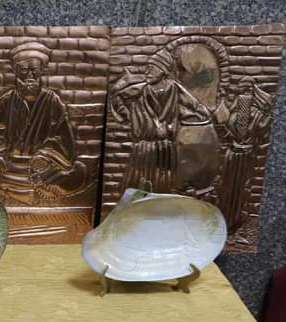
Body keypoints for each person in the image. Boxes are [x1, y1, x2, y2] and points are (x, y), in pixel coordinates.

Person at [0, 41, 85, 204]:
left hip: (40, 168)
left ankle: (4, 189)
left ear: (41, 71)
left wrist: (44, 156)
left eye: (35, 71)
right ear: (16, 72)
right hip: (6, 166)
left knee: (79, 171)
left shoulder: (52, 101)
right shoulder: (4, 101)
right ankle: (8, 189)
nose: (30, 76)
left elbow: (63, 139)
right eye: (24, 71)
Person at [110, 49, 211, 192]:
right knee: (140, 179)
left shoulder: (174, 89)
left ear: (163, 70)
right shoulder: (141, 89)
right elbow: (117, 97)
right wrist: (127, 115)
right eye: (147, 68)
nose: (147, 72)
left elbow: (193, 104)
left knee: (164, 181)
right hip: (144, 146)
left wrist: (203, 113)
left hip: (166, 146)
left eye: (152, 68)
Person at [219, 77, 272, 233]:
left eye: (246, 91)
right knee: (227, 188)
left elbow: (262, 131)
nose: (243, 95)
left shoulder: (257, 114)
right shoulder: (233, 112)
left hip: (245, 157)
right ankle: (224, 220)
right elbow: (227, 131)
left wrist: (267, 113)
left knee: (241, 189)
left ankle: (236, 222)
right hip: (232, 156)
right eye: (241, 91)